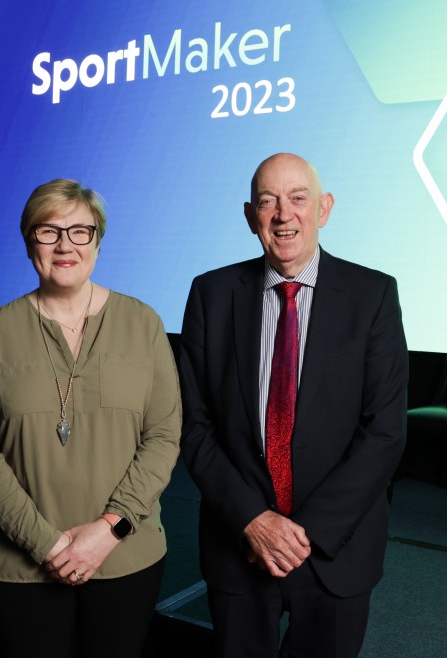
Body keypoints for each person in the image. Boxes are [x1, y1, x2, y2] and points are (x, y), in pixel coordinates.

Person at [177, 153, 408, 657]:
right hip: (238, 543)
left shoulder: (373, 295)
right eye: (268, 201)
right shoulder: (210, 295)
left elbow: (385, 432)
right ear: (249, 215)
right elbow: (194, 427)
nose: (284, 214)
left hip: (336, 550)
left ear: (323, 209)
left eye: (298, 199)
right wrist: (254, 520)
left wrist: (303, 534)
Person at [0, 178, 181, 658]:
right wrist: (46, 545)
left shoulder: (143, 323)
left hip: (125, 555)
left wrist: (110, 528)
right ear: (29, 242)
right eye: (49, 231)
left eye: (80, 231)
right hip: (18, 566)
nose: (65, 245)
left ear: (98, 241)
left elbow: (163, 436)